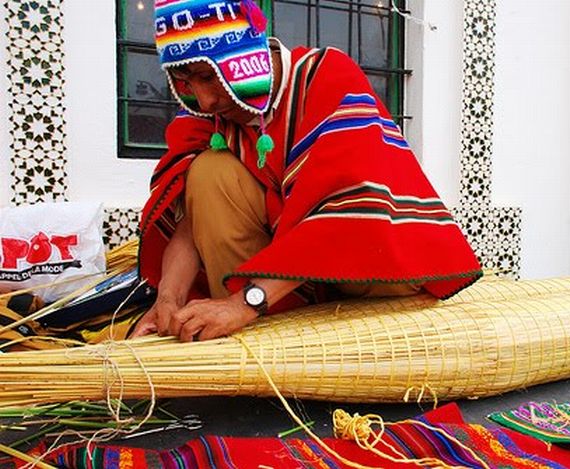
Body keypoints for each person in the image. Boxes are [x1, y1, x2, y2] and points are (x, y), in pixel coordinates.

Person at [132, 0, 481, 342]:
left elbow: (352, 212)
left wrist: (244, 302)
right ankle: (263, 338)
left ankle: (265, 314)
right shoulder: (210, 114)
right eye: (186, 83)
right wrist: (168, 300)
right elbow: (192, 220)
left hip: (375, 259)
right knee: (208, 172)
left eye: (209, 76)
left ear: (243, 59)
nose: (205, 100)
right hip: (291, 270)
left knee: (353, 220)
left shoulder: (326, 78)